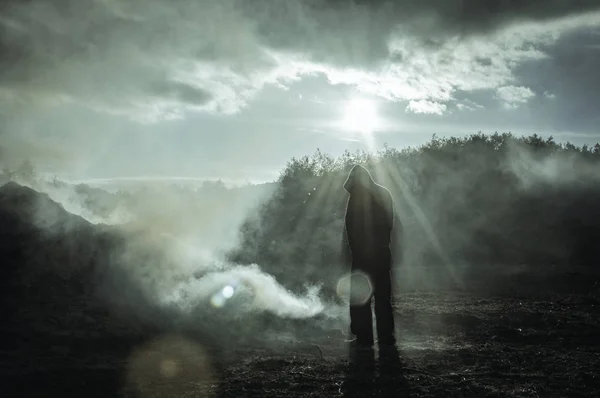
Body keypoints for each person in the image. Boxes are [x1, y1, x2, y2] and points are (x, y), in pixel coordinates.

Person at [343, 164, 396, 349]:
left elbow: (351, 227)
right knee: (383, 296)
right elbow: (390, 222)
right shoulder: (384, 193)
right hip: (382, 253)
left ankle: (363, 338)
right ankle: (386, 337)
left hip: (362, 255)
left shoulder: (356, 197)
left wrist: (352, 250)